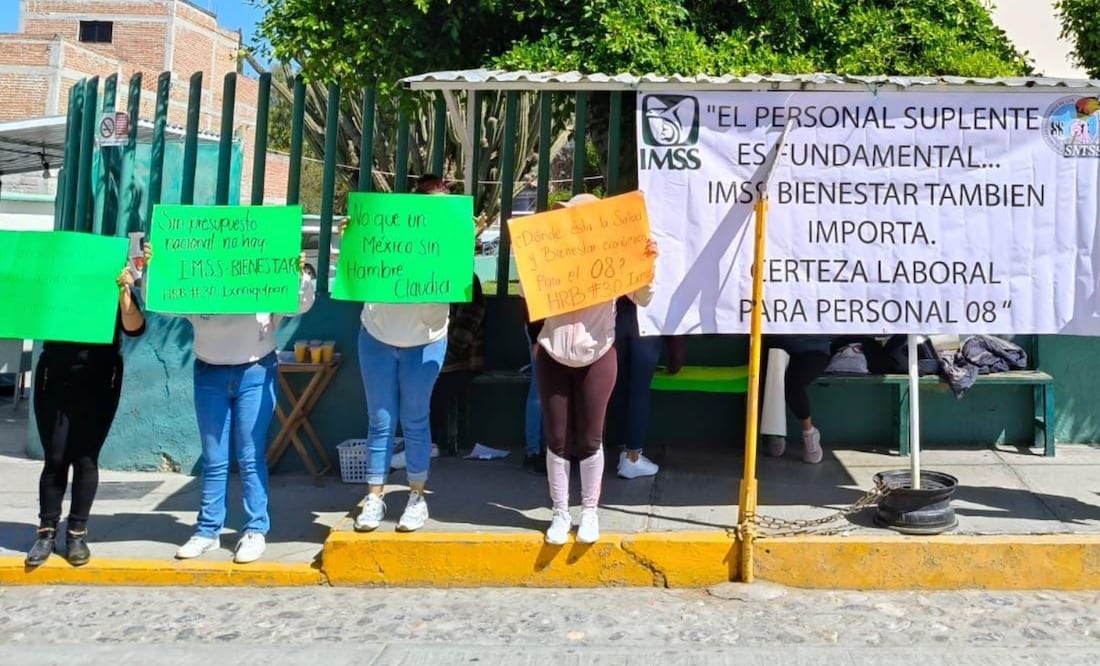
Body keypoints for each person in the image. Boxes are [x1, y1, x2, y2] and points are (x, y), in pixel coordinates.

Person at [148, 246, 316, 564]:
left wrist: (300, 272)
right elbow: (162, 301)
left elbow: (300, 304)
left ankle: (255, 529)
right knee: (214, 458)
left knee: (251, 456)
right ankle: (208, 530)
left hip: (255, 370)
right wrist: (155, 268)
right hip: (209, 372)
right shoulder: (201, 283)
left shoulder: (264, 281)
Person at [532, 192, 658, 545]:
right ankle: (560, 513)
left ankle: (589, 512)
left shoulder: (613, 259)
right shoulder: (553, 256)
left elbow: (644, 297)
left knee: (590, 439)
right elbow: (529, 298)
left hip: (598, 354)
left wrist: (646, 264)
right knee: (556, 440)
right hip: (552, 354)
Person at [25, 265, 146, 567]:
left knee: (85, 458)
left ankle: (77, 533)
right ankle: (46, 531)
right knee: (55, 457)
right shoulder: (56, 288)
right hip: (54, 376)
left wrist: (125, 292)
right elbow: (25, 311)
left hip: (100, 378)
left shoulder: (115, 288)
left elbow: (134, 328)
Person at [353, 175, 452, 533]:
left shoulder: (450, 245)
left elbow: (443, 301)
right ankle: (374, 498)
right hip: (378, 336)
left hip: (424, 342)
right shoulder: (389, 232)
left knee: (414, 419)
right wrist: (354, 236)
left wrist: (457, 246)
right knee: (379, 421)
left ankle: (416, 497)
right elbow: (360, 268)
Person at [610, 299, 686, 479]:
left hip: (614, 315)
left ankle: (624, 451)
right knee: (639, 391)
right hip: (647, 318)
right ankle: (632, 457)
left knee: (619, 387)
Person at [429, 273, 486, 452]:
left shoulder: (468, 280)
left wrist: (441, 357)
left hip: (462, 361)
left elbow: (464, 332)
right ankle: (426, 443)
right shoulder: (436, 277)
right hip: (442, 358)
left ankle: (430, 443)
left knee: (433, 392)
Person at [762, 336, 831, 464]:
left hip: (813, 348)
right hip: (777, 344)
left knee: (792, 384)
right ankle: (775, 431)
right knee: (765, 379)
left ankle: (809, 433)